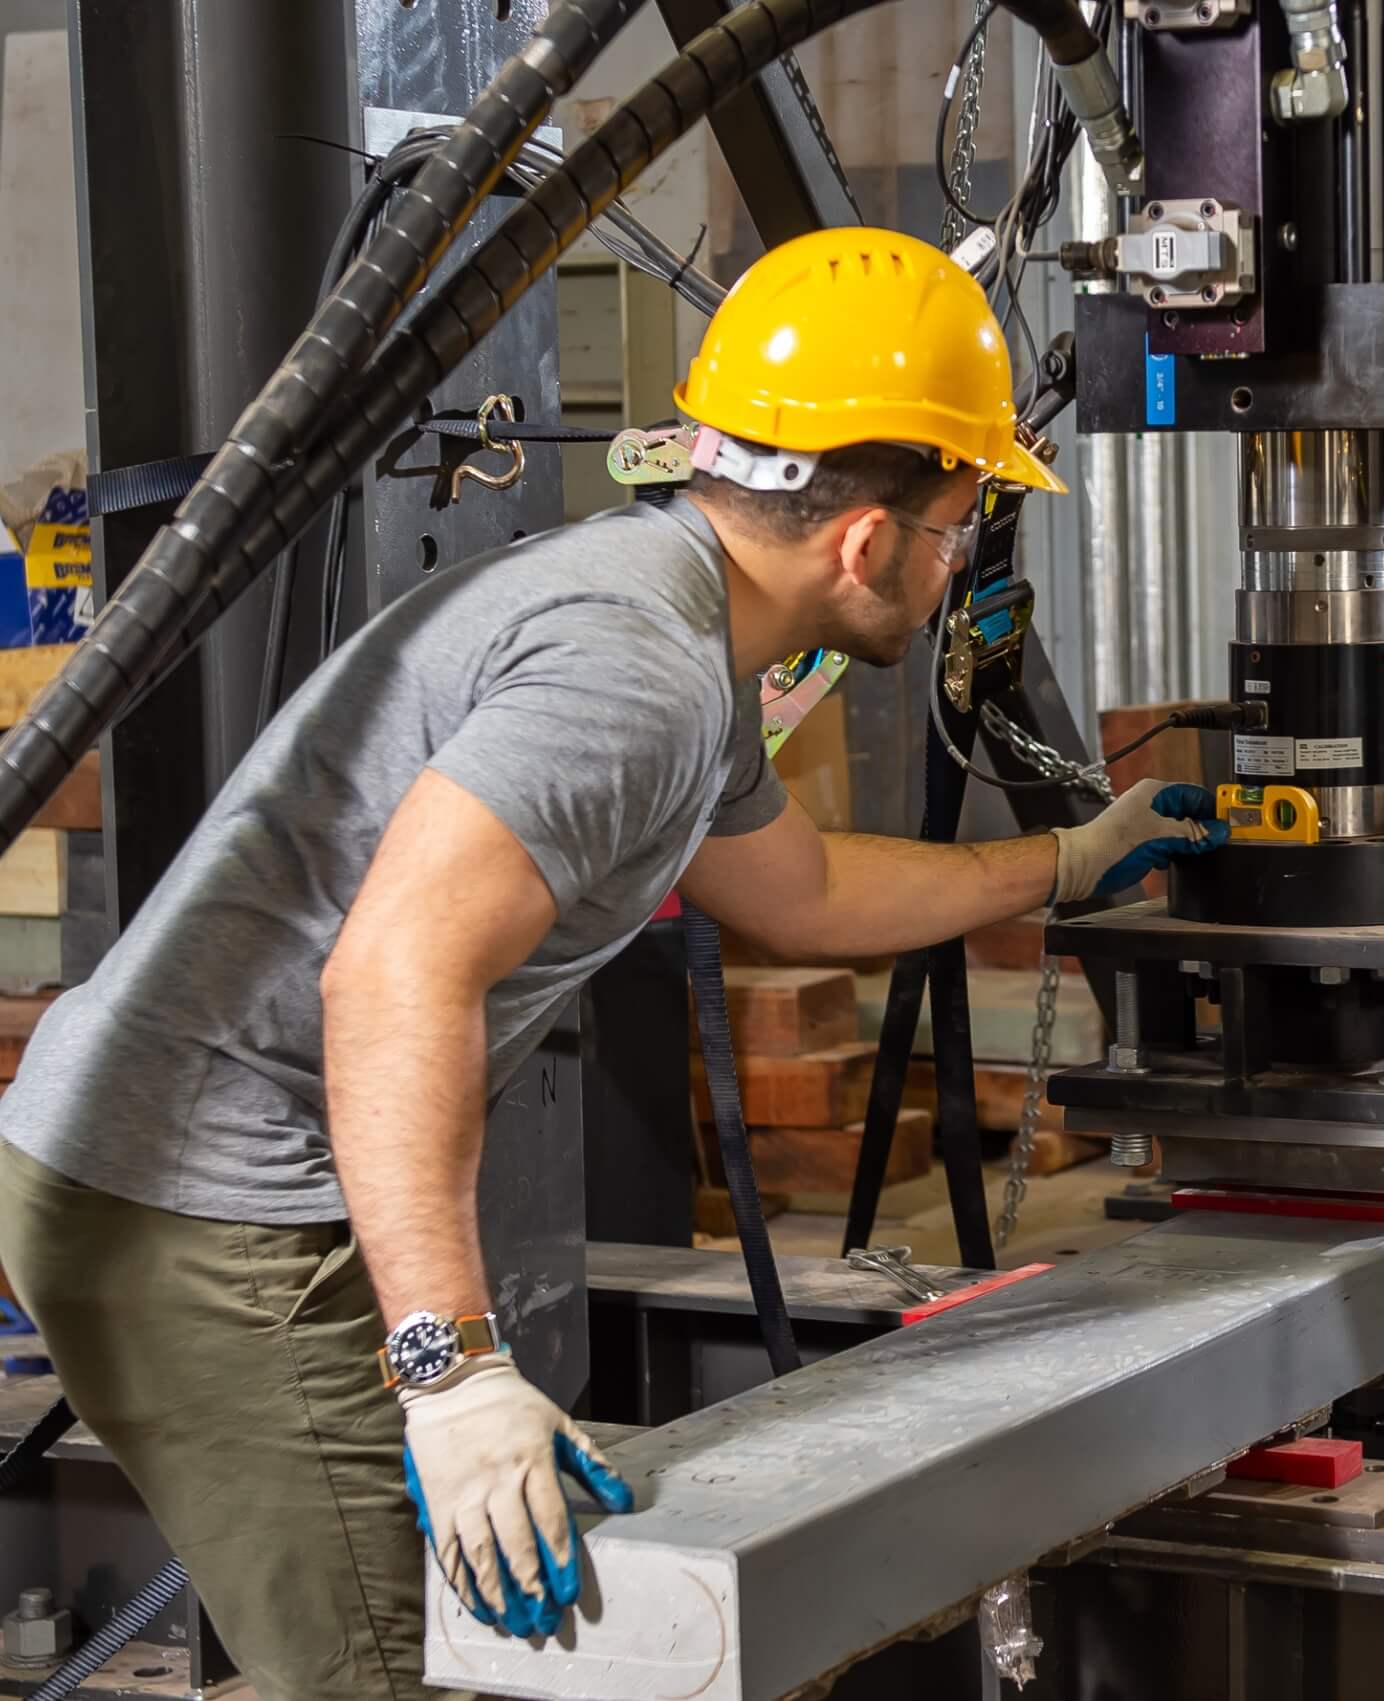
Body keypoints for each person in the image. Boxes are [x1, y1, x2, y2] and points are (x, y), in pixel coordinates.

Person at [0, 228, 1224, 1697]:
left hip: (233, 1173)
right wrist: (449, 1377)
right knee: (393, 1667)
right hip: (195, 1208)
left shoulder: (677, 628)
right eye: (961, 527)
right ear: (861, 540)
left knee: (483, 1613)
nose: (958, 562)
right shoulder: (634, 673)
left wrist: (1072, 858)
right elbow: (391, 979)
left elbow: (809, 889)